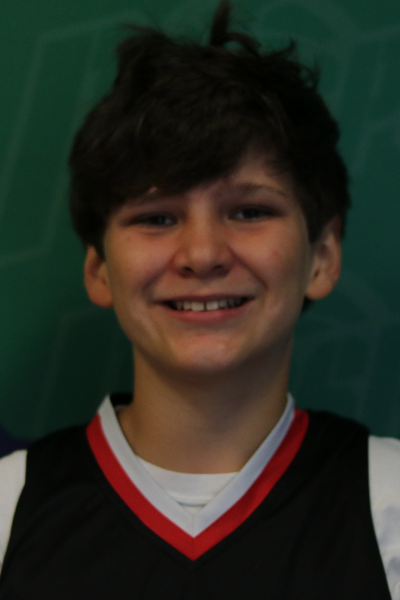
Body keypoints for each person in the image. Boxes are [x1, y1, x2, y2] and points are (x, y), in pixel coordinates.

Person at [0, 2, 399, 598]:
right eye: (157, 217)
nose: (203, 253)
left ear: (322, 256)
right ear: (100, 269)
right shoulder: (9, 508)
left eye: (250, 211)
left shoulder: (390, 504)